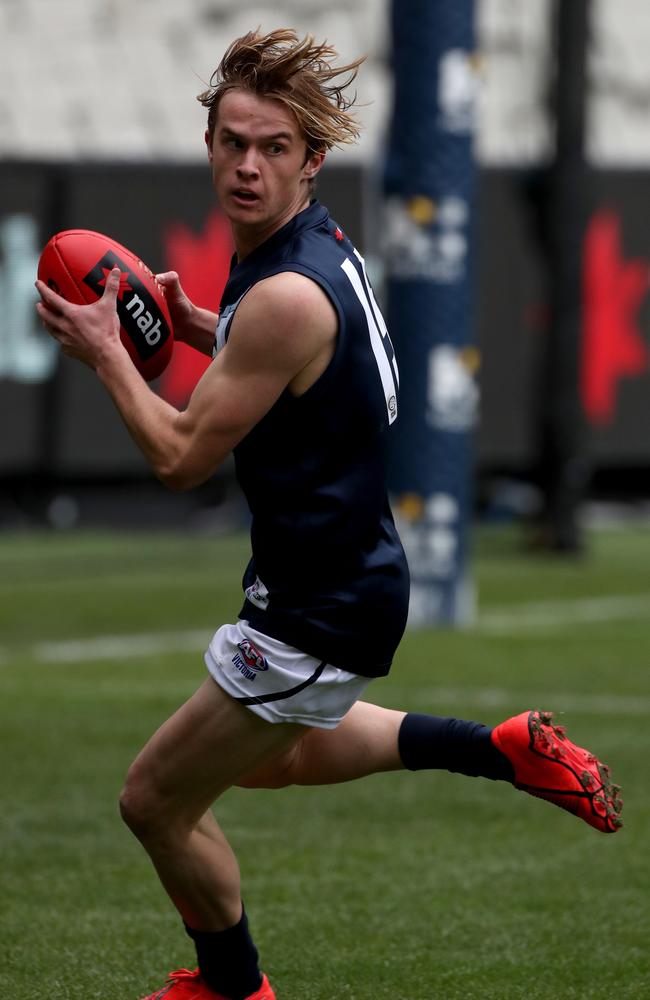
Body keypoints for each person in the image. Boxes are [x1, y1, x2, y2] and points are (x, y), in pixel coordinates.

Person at [35, 28, 623, 1000]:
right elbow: (302, 365)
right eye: (231, 142)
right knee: (275, 760)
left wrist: (107, 352)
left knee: (154, 801)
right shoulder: (312, 250)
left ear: (313, 158)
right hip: (347, 582)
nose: (247, 165)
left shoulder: (280, 298)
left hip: (312, 604)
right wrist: (193, 326)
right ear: (211, 141)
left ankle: (233, 987)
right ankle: (497, 748)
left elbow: (181, 457)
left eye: (273, 148)